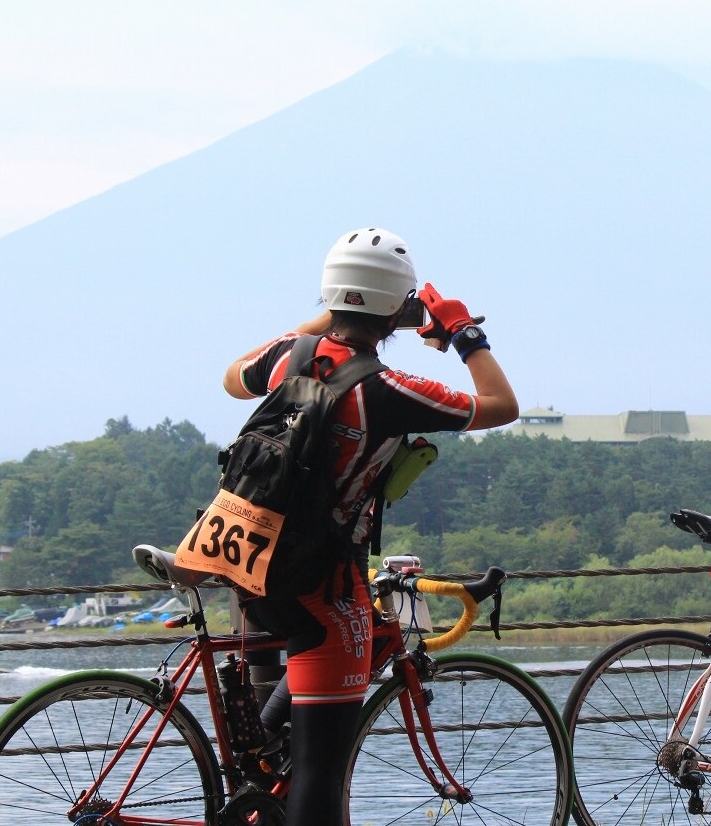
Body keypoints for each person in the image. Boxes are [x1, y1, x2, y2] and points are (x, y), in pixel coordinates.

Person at [220, 227, 518, 824]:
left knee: (263, 753)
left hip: (250, 561)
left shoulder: (287, 357)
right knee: (319, 770)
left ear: (332, 292)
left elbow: (233, 377)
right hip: (325, 587)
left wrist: (343, 310)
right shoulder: (388, 390)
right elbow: (501, 405)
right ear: (396, 305)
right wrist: (462, 332)